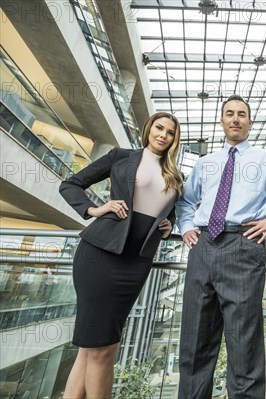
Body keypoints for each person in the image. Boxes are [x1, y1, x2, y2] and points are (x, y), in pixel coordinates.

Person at [176, 94, 266, 399]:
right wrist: (186, 227)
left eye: (242, 114)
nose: (235, 118)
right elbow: (185, 201)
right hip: (203, 246)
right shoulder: (205, 163)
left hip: (244, 245)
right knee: (195, 339)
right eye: (230, 113)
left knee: (243, 341)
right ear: (222, 121)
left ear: (250, 122)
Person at [59, 112, 183, 398]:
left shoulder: (175, 175)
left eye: (170, 132)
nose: (163, 135)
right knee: (103, 348)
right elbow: (70, 184)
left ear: (175, 139)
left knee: (92, 348)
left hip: (136, 264)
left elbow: (168, 212)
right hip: (100, 255)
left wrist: (168, 226)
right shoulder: (121, 156)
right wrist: (94, 209)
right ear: (148, 128)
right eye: (159, 128)